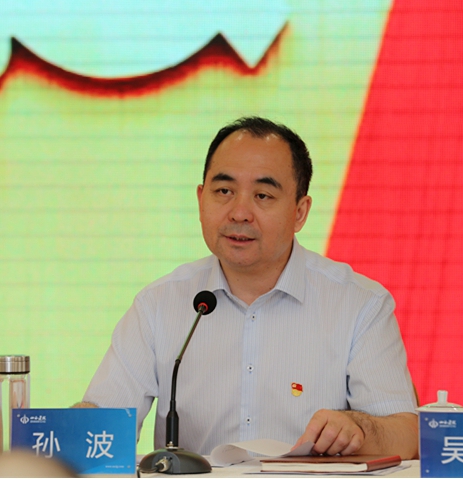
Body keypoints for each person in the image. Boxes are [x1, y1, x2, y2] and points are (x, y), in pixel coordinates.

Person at [78, 116, 418, 459]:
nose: (239, 213)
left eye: (263, 195)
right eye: (224, 192)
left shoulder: (359, 304)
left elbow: (407, 436)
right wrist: (70, 428)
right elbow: (100, 427)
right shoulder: (159, 304)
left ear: (300, 212)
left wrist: (357, 428)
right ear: (201, 199)